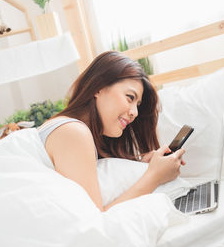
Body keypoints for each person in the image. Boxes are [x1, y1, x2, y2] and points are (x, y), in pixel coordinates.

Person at [37, 51, 185, 212]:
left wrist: (141, 166)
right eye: (130, 97)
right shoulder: (72, 132)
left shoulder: (71, 130)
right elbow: (93, 221)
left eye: (138, 104)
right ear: (98, 87)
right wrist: (154, 176)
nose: (135, 112)